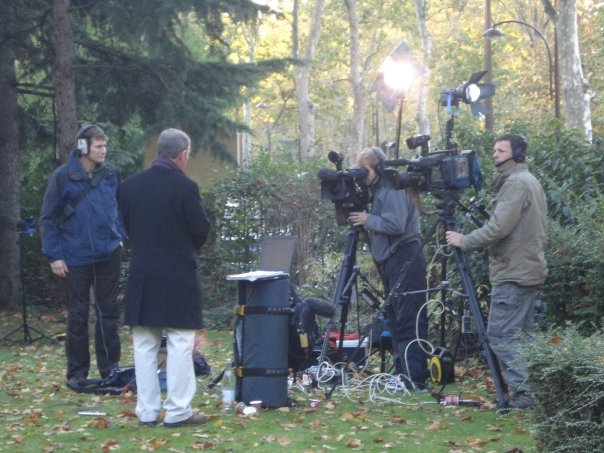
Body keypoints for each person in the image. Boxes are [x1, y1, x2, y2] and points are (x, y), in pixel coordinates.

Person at [445, 133, 547, 409]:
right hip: (526, 268)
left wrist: (464, 240)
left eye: (501, 150)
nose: (495, 155)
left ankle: (525, 394)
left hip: (514, 271)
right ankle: (532, 393)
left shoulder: (516, 184)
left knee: (501, 335)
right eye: (495, 150)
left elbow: (498, 227)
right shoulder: (528, 180)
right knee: (522, 337)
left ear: (517, 154)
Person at [119, 128, 211, 428]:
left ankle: (146, 411)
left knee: (144, 344)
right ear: (183, 154)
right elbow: (201, 231)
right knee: (180, 343)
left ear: (160, 151)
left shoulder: (130, 186)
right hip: (177, 275)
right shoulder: (185, 187)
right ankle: (178, 410)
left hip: (143, 273)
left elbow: (126, 227)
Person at [40, 124, 125, 385]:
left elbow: (121, 207)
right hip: (75, 256)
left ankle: (110, 369)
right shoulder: (62, 177)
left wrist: (119, 235)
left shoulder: (110, 174)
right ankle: (77, 373)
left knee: (108, 311)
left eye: (105, 145)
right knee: (78, 315)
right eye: (98, 146)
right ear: (83, 147)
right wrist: (54, 255)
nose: (103, 150)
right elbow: (48, 218)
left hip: (109, 252)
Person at [348, 147, 428, 390]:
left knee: (408, 318)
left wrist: (367, 219)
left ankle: (414, 377)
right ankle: (403, 374)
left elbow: (396, 224)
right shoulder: (379, 189)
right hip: (394, 259)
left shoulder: (392, 187)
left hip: (405, 256)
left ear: (377, 168)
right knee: (395, 318)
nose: (362, 177)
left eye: (365, 171)